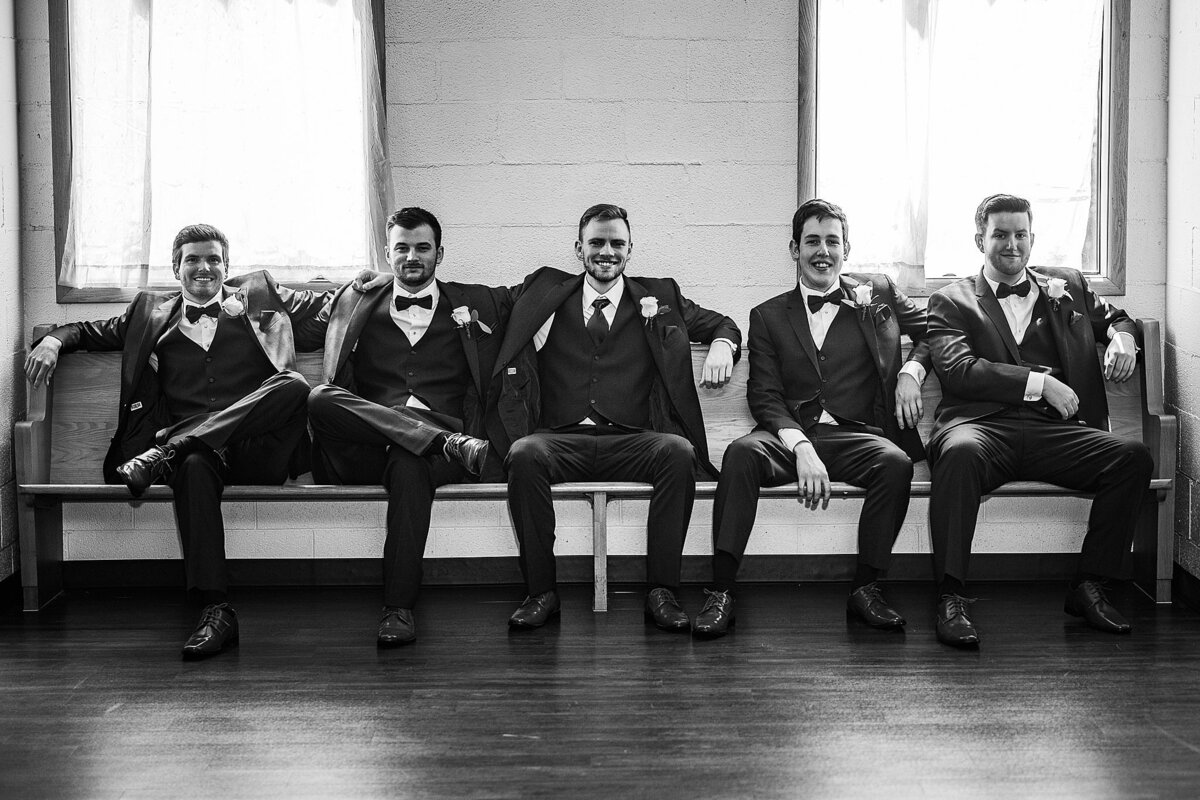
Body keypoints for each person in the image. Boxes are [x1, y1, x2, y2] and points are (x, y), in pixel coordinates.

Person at [24, 224, 334, 659]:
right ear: (176, 267)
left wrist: (365, 283)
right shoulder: (149, 313)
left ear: (227, 266)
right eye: (193, 259)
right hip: (200, 458)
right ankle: (216, 610)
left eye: (213, 259)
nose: (204, 267)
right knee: (191, 465)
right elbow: (92, 331)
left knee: (295, 385)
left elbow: (331, 308)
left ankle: (166, 452)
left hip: (259, 450)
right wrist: (55, 339)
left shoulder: (261, 296)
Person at [492, 203, 741, 631]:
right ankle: (541, 592)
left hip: (631, 439)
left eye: (616, 243)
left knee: (678, 452)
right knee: (523, 453)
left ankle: (662, 591)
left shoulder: (660, 295)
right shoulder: (544, 289)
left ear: (630, 249)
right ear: (579, 248)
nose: (607, 251)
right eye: (597, 242)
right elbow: (480, 301)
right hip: (561, 440)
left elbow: (724, 324)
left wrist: (723, 344)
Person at [695, 199, 930, 639]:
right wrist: (800, 446)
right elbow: (763, 395)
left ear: (846, 248)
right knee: (741, 455)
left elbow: (934, 329)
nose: (823, 251)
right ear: (794, 249)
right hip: (788, 438)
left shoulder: (876, 292)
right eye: (812, 242)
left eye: (832, 241)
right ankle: (721, 590)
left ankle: (867, 589)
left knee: (895, 464)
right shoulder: (766, 315)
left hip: (856, 435)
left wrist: (910, 372)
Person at [926, 193, 1153, 647]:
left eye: (1020, 234)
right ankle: (950, 596)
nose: (1012, 244)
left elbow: (1117, 318)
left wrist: (1123, 338)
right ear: (979, 239)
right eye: (1000, 235)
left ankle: (1090, 586)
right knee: (960, 454)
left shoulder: (1067, 285)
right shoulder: (951, 299)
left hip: (1056, 432)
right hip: (981, 428)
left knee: (1132, 457)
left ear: (1032, 238)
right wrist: (1038, 382)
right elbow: (958, 370)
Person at [304, 207, 508, 646]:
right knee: (319, 398)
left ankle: (398, 607)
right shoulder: (358, 302)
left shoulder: (475, 301)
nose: (412, 256)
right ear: (386, 253)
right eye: (402, 248)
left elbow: (547, 292)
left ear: (440, 253)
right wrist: (348, 286)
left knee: (409, 460)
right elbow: (282, 311)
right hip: (374, 447)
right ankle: (441, 441)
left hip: (436, 456)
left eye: (422, 248)